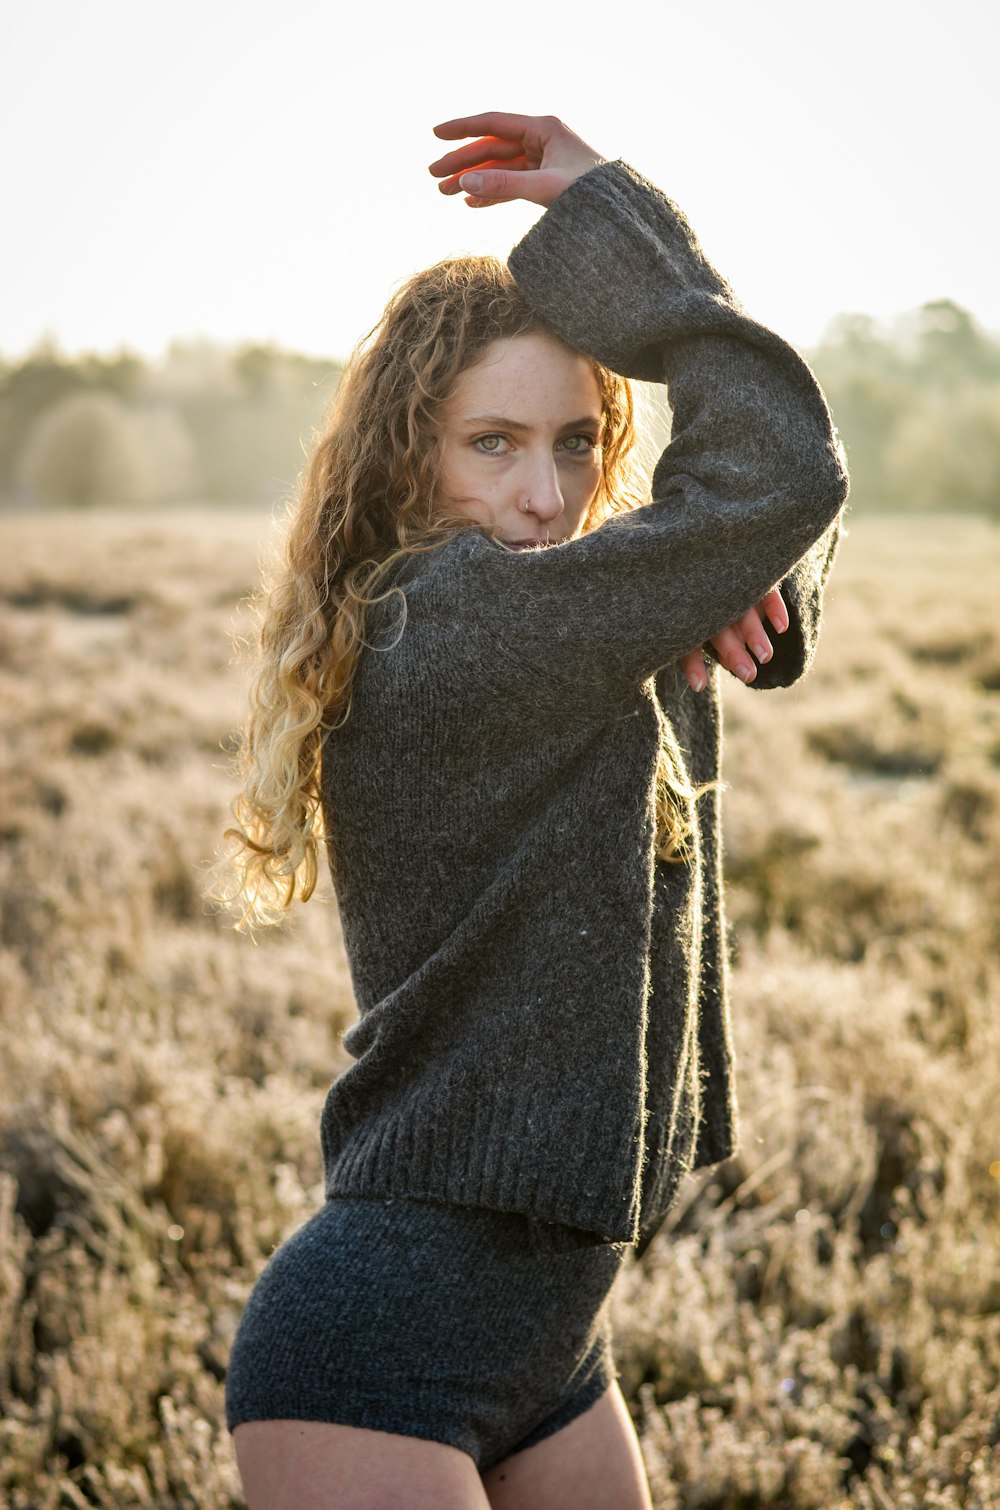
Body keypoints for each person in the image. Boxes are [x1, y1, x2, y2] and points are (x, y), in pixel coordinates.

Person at [213, 112, 849, 1510]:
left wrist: (755, 585)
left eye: (575, 441)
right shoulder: (450, 623)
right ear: (404, 457)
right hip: (378, 1346)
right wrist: (618, 208)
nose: (543, 496)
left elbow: (783, 509)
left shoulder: (564, 615)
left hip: (547, 1340)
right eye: (490, 443)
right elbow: (783, 469)